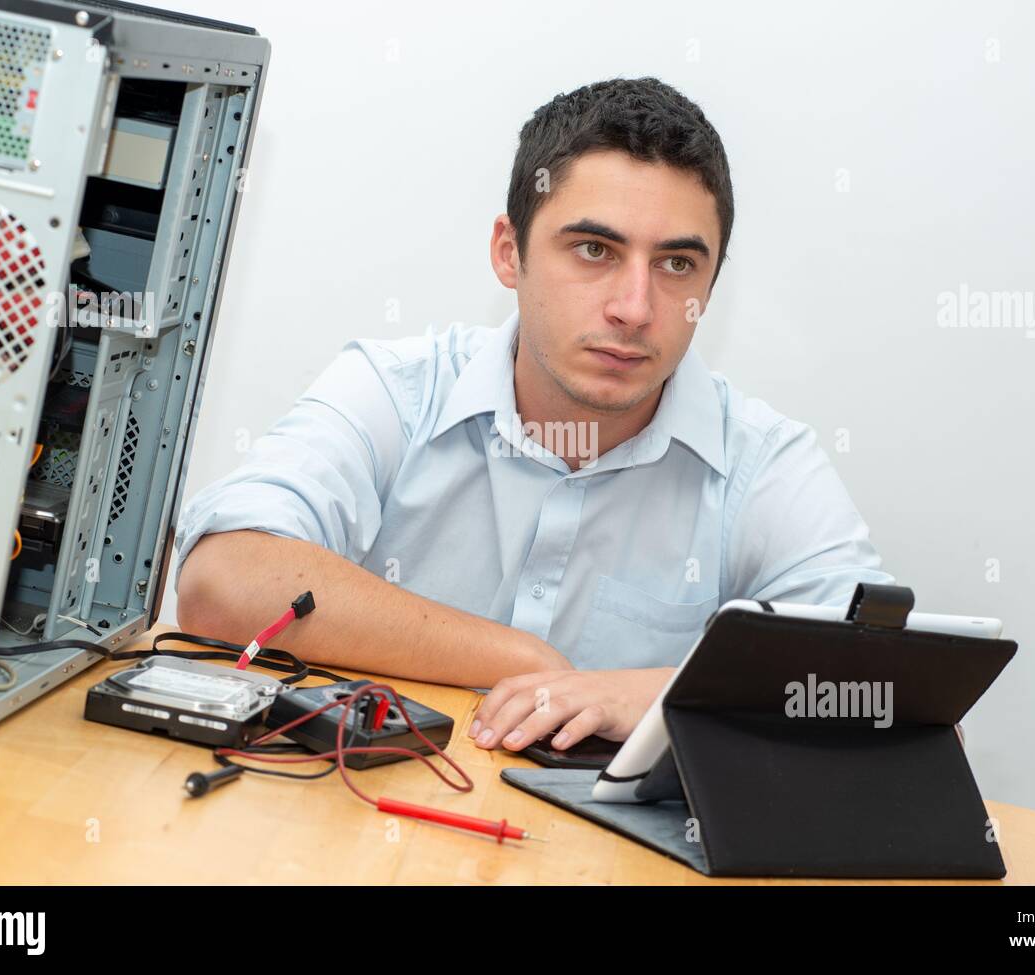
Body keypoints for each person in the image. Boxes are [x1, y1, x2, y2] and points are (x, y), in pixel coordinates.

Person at [175, 77, 892, 754]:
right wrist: (524, 660)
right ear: (509, 253)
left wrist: (661, 696)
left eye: (676, 265)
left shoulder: (763, 464)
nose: (634, 308)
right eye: (593, 249)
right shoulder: (396, 391)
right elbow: (223, 579)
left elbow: (888, 701)